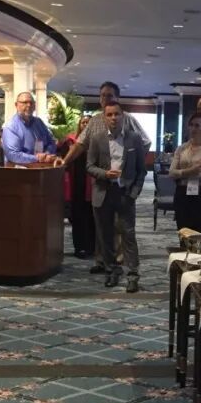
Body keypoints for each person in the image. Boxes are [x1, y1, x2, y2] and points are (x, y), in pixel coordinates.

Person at [57, 82, 151, 274]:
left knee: (123, 228)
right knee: (103, 226)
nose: (105, 99)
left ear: (117, 98)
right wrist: (65, 162)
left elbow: (145, 142)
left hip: (123, 185)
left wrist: (130, 165)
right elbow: (80, 144)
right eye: (102, 95)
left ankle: (120, 263)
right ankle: (103, 262)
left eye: (109, 95)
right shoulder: (95, 121)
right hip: (101, 183)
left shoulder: (128, 119)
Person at [86, 100, 147, 293]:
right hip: (103, 193)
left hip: (125, 194)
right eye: (109, 115)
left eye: (117, 114)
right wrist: (105, 174)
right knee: (105, 236)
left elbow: (141, 170)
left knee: (128, 235)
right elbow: (89, 166)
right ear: (104, 118)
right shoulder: (97, 138)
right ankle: (111, 270)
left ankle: (133, 275)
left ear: (123, 116)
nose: (113, 118)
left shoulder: (134, 138)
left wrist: (134, 193)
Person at [169, 111, 201, 232]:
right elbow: (172, 173)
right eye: (191, 125)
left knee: (199, 233)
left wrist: (181, 172)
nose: (193, 128)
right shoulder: (182, 148)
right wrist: (191, 170)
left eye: (197, 125)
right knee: (183, 232)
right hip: (182, 192)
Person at [61, 116, 95, 258]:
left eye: (88, 122)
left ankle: (91, 248)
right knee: (78, 218)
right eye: (83, 122)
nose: (85, 125)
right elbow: (63, 159)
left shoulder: (97, 140)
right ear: (79, 125)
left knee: (92, 218)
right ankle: (79, 247)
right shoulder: (70, 141)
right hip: (76, 185)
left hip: (92, 185)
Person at [1, 92, 57, 165]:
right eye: (25, 102)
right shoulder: (11, 127)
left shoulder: (39, 122)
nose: (29, 105)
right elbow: (13, 155)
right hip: (20, 169)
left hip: (43, 167)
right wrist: (38, 158)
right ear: (16, 105)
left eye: (31, 103)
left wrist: (47, 153)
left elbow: (51, 142)